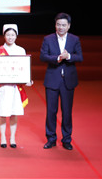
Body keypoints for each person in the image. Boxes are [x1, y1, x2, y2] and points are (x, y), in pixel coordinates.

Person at [40, 13, 83, 150]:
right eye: (58, 24)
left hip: (68, 81)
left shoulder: (74, 39)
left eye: (64, 25)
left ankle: (66, 139)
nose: (61, 27)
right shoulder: (48, 39)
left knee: (67, 112)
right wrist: (57, 58)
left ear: (68, 26)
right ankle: (51, 138)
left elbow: (79, 57)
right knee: (51, 111)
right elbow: (43, 56)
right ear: (55, 25)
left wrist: (68, 56)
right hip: (52, 80)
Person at [0, 24, 32, 148]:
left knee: (14, 112)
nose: (10, 37)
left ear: (16, 36)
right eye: (8, 35)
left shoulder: (21, 50)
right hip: (3, 87)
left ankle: (13, 137)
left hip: (16, 87)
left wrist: (27, 79)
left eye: (13, 35)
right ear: (4, 36)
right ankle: (3, 137)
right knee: (2, 112)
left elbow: (24, 68)